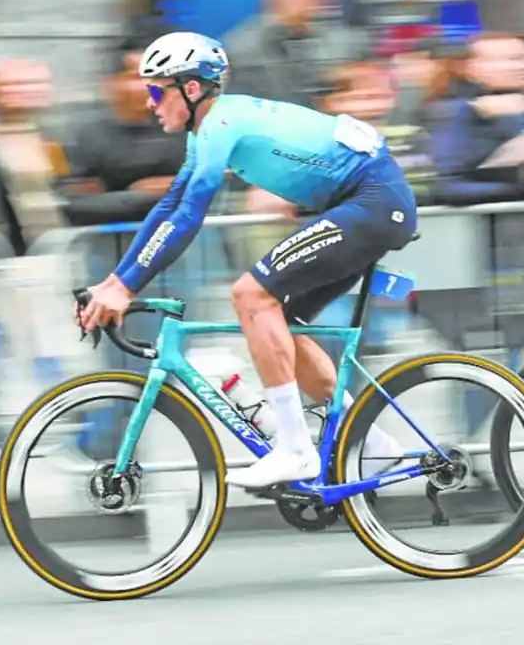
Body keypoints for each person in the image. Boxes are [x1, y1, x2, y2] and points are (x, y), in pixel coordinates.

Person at [76, 32, 416, 490]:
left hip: (371, 202)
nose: (150, 103)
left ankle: (296, 451)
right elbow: (168, 208)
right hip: (362, 204)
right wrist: (115, 282)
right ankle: (373, 444)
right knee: (285, 321)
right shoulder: (208, 131)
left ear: (191, 90)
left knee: (251, 296)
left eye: (157, 90)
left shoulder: (221, 124)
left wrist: (125, 287)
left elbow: (189, 217)